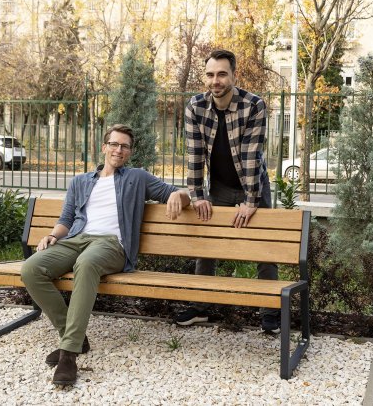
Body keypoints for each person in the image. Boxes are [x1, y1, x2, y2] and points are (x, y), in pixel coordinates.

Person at [21, 124, 190, 387]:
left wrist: (180, 195)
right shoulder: (80, 181)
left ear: (129, 152)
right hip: (76, 239)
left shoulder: (137, 178)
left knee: (86, 263)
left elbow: (178, 193)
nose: (118, 150)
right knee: (31, 269)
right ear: (104, 147)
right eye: (114, 144)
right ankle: (75, 337)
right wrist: (53, 236)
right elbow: (66, 219)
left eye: (125, 146)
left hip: (112, 245)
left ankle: (68, 354)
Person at [175, 49, 280, 333]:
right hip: (219, 187)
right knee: (207, 245)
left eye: (222, 74)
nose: (216, 80)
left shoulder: (253, 105)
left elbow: (250, 155)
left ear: (234, 75)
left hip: (253, 186)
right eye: (210, 75)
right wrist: (198, 197)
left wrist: (251, 200)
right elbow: (194, 155)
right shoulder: (195, 106)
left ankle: (271, 313)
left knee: (264, 247)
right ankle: (200, 308)